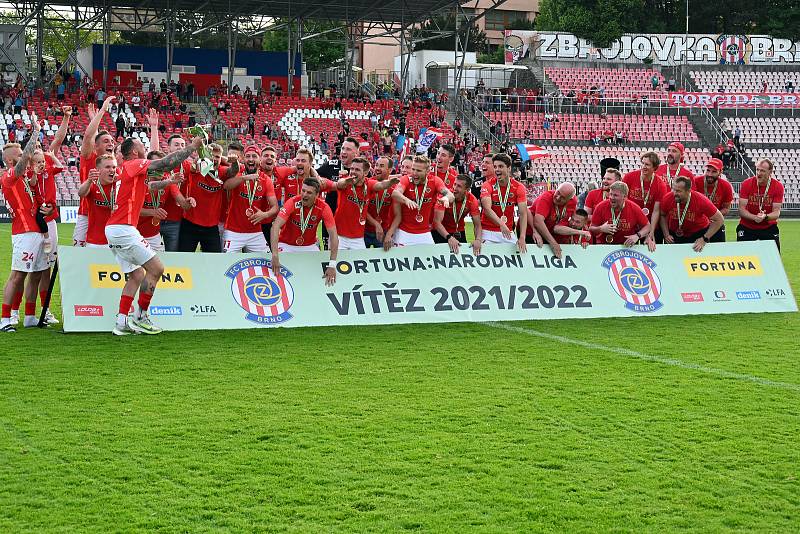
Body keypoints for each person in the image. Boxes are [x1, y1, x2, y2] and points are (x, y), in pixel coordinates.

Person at [106, 135, 202, 336]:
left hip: (115, 229)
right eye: (140, 144)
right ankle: (140, 317)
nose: (144, 146)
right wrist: (191, 147)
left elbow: (148, 187)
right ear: (133, 151)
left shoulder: (128, 169)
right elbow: (166, 162)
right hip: (124, 229)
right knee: (157, 268)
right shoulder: (134, 163)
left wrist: (168, 182)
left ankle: (121, 321)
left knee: (137, 274)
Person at [1, 119, 48, 332]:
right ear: (11, 161)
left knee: (36, 274)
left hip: (35, 230)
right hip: (24, 231)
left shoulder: (24, 178)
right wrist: (36, 132)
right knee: (18, 274)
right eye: (19, 155)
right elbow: (25, 161)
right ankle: (4, 318)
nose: (24, 158)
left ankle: (30, 316)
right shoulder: (9, 176)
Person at [270, 178, 338, 287]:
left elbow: (334, 236)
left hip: (309, 246)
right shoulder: (292, 202)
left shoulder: (324, 207)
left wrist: (332, 265)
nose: (304, 195)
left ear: (317, 195)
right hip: (286, 244)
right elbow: (275, 226)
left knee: (319, 278)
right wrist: (274, 254)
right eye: (303, 190)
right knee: (276, 275)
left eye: (309, 192)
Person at [178, 143, 238, 252]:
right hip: (190, 223)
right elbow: (194, 165)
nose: (214, 159)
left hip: (211, 226)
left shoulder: (222, 171)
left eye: (217, 157)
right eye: (211, 156)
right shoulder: (198, 168)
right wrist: (203, 155)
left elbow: (233, 171)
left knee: (214, 260)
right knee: (184, 258)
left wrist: (234, 162)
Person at [385, 155, 454, 248]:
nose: (414, 173)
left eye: (419, 171)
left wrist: (446, 198)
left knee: (431, 260)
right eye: (413, 169)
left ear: (427, 171)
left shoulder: (434, 181)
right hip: (404, 233)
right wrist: (406, 200)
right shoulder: (406, 179)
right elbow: (395, 193)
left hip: (424, 233)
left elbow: (450, 195)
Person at [74, 95, 116, 247]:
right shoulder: (89, 156)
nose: (111, 143)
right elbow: (89, 137)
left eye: (112, 141)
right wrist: (103, 110)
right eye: (106, 141)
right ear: (96, 146)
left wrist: (95, 119)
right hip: (87, 212)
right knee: (79, 253)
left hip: (110, 213)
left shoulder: (114, 162)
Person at [333, 157, 397, 250]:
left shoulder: (369, 184)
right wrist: (346, 181)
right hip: (340, 236)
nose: (353, 172)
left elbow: (380, 185)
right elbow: (340, 183)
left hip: (359, 238)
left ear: (366, 173)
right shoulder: (346, 182)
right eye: (352, 169)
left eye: (357, 169)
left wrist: (389, 183)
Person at [222, 151, 278, 253]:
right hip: (233, 231)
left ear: (260, 160)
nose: (251, 159)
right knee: (225, 262)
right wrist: (244, 178)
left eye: (254, 156)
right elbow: (226, 186)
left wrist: (265, 214)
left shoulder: (266, 180)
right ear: (243, 159)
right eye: (248, 156)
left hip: (255, 232)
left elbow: (275, 207)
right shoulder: (238, 173)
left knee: (265, 262)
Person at [139, 150, 194, 251]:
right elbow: (130, 210)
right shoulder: (139, 180)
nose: (160, 168)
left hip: (154, 235)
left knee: (161, 265)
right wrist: (152, 212)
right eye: (156, 164)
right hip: (135, 233)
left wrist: (190, 202)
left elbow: (184, 205)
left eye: (162, 164)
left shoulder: (168, 181)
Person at [659, 177, 724, 252]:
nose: (674, 193)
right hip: (675, 234)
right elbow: (662, 215)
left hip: (698, 233)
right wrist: (666, 234)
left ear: (688, 191)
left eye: (678, 191)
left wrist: (704, 238)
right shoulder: (667, 198)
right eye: (674, 189)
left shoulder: (701, 200)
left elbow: (719, 219)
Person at [480, 153, 528, 252]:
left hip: (508, 232)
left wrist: (522, 237)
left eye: (501, 166)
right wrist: (501, 224)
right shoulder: (487, 185)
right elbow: (487, 209)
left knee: (520, 256)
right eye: (495, 166)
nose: (497, 169)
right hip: (488, 232)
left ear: (509, 168)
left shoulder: (519, 187)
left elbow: (523, 214)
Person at [317, 137, 359, 249]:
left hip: (350, 220)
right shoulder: (331, 165)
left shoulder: (361, 169)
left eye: (348, 149)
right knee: (327, 252)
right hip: (330, 216)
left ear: (356, 153)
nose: (344, 152)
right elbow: (314, 176)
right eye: (343, 149)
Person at [737, 158, 784, 251]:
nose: (758, 173)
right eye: (757, 170)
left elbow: (776, 213)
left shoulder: (777, 186)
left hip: (768, 226)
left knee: (773, 258)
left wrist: (765, 216)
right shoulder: (746, 184)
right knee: (743, 258)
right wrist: (755, 217)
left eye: (762, 170)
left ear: (770, 172)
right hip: (747, 226)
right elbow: (741, 210)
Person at [622, 151, 664, 250]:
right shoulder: (629, 177)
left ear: (654, 168)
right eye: (643, 163)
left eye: (647, 164)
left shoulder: (660, 185)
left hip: (648, 223)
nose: (644, 166)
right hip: (631, 222)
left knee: (649, 250)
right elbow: (624, 201)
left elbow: (656, 211)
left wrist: (651, 231)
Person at [589, 182, 652, 247]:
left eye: (615, 195)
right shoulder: (601, 207)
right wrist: (601, 229)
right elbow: (591, 229)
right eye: (610, 194)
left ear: (624, 197)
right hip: (605, 246)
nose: (611, 197)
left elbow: (648, 226)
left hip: (626, 247)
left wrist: (637, 236)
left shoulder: (634, 208)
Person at [432, 173, 482, 255]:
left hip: (459, 232)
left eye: (459, 186)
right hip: (441, 232)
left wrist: (478, 240)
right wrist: (449, 237)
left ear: (467, 189)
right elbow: (437, 222)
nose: (455, 188)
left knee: (463, 259)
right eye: (454, 184)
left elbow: (477, 224)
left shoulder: (472, 200)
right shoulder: (445, 197)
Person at [158, 134, 192, 251]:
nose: (180, 147)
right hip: (154, 217)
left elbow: (208, 165)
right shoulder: (161, 164)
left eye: (183, 145)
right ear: (168, 147)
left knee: (172, 254)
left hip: (175, 219)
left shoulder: (188, 166)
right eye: (176, 144)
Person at [532, 182, 577, 259]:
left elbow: (560, 225)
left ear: (569, 199)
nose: (558, 197)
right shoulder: (546, 197)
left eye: (563, 197)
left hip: (550, 234)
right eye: (558, 192)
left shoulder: (573, 202)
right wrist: (553, 242)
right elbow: (538, 222)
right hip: (533, 233)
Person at [692, 158, 733, 242]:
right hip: (698, 224)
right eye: (708, 170)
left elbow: (726, 208)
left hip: (716, 223)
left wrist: (714, 216)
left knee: (718, 252)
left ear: (720, 172)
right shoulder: (696, 181)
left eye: (714, 171)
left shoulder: (726, 186)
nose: (709, 174)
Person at [364, 156, 397, 249]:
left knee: (384, 260)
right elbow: (362, 209)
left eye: (381, 166)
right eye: (376, 165)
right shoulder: (367, 183)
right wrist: (376, 224)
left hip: (384, 232)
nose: (377, 168)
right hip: (364, 231)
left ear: (390, 170)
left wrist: (389, 234)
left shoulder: (394, 187)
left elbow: (398, 215)